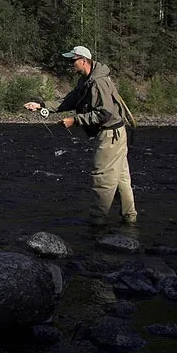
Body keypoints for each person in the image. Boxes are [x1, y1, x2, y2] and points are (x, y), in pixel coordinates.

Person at [24, 46, 137, 226]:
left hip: (109, 135)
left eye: (72, 61)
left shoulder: (98, 82)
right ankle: (130, 220)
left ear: (84, 60)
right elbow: (69, 100)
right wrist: (41, 105)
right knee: (121, 179)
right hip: (113, 134)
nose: (70, 64)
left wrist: (75, 121)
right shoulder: (85, 80)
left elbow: (104, 114)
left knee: (102, 178)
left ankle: (97, 223)